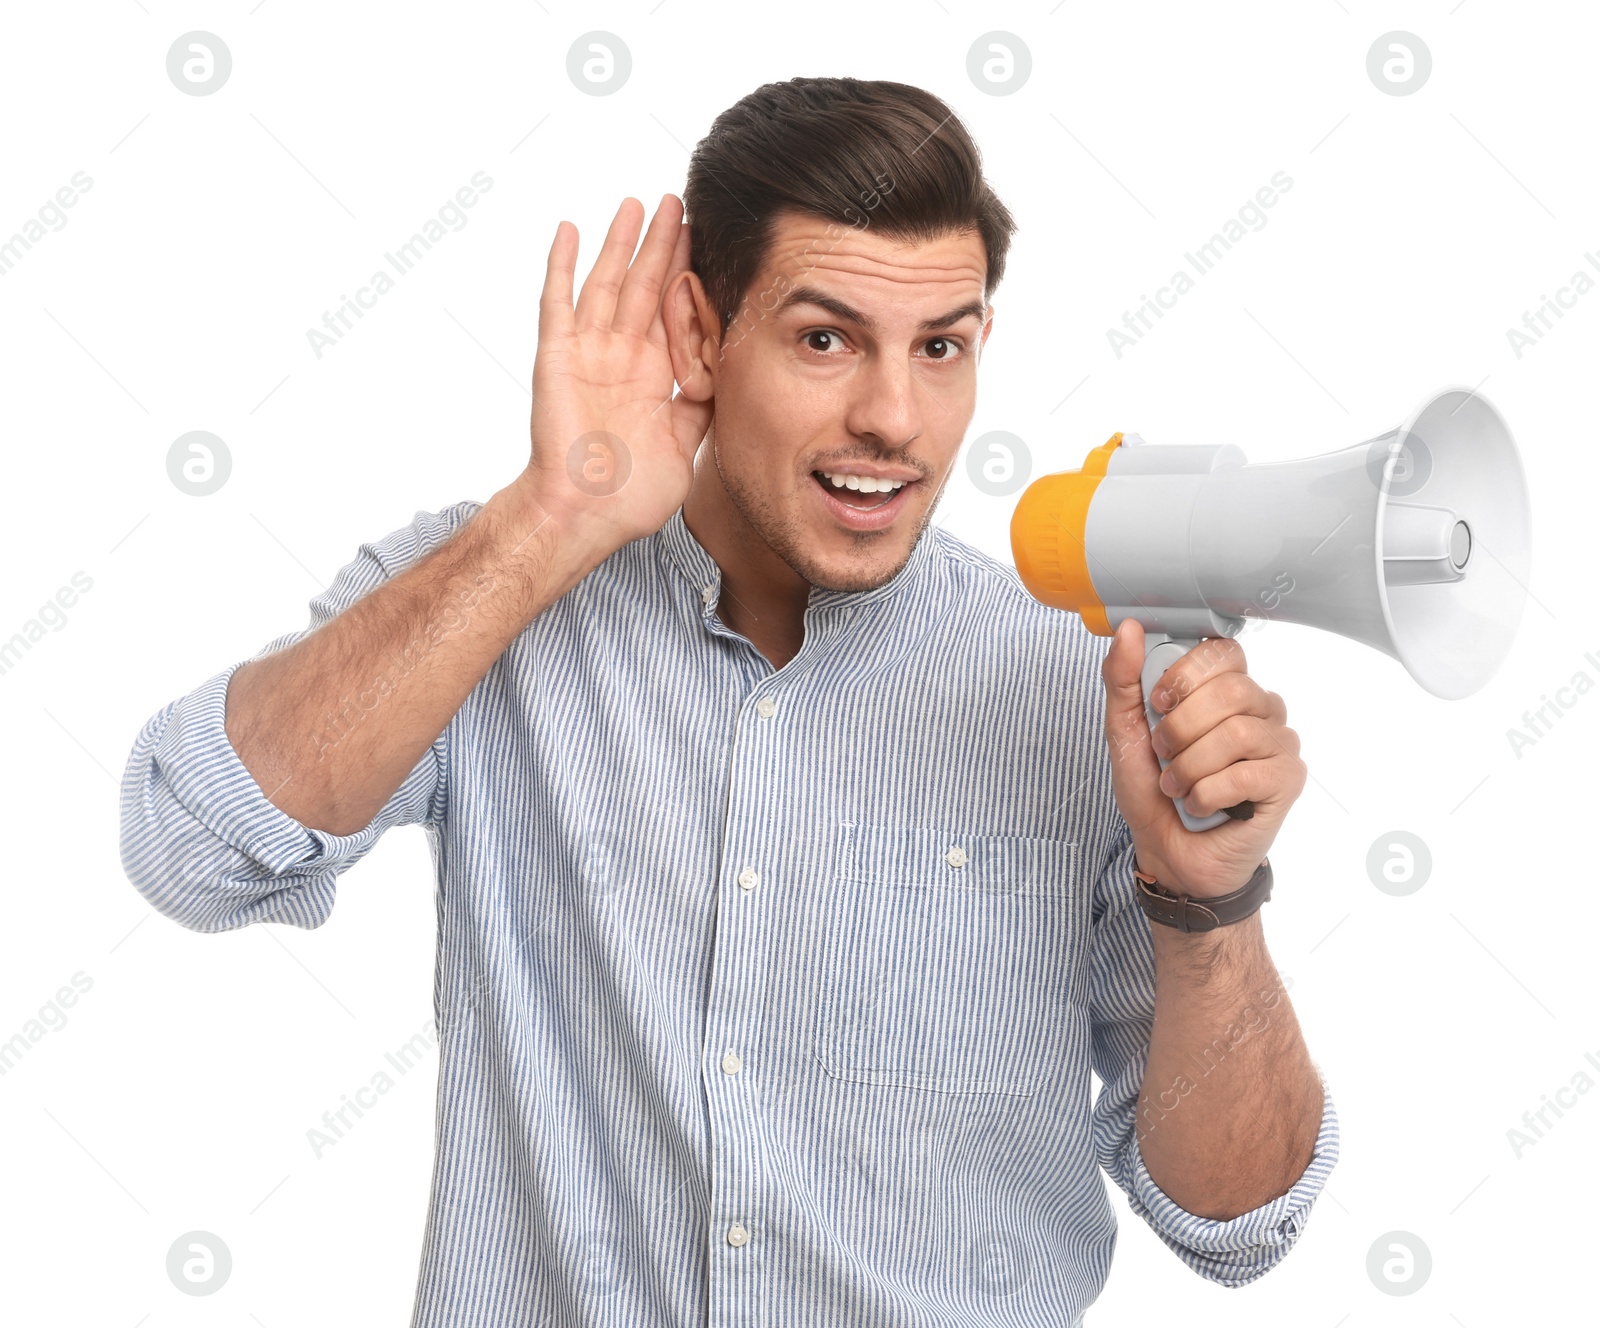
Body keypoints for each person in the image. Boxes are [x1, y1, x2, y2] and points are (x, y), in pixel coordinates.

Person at [120, 76, 1337, 1326]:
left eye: (941, 346)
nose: (892, 419)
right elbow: (195, 849)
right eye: (824, 338)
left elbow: (1236, 1228)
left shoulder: (1080, 688)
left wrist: (1208, 904)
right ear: (700, 334)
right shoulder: (485, 593)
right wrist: (548, 520)